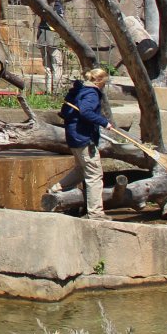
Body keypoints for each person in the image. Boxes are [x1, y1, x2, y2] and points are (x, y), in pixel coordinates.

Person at [60, 67, 112, 220]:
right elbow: (86, 111)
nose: (104, 86)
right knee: (94, 175)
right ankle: (95, 213)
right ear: (99, 81)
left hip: (73, 136)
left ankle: (55, 190)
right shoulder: (91, 93)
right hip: (84, 138)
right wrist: (104, 122)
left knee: (81, 170)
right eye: (105, 83)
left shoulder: (79, 90)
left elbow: (65, 111)